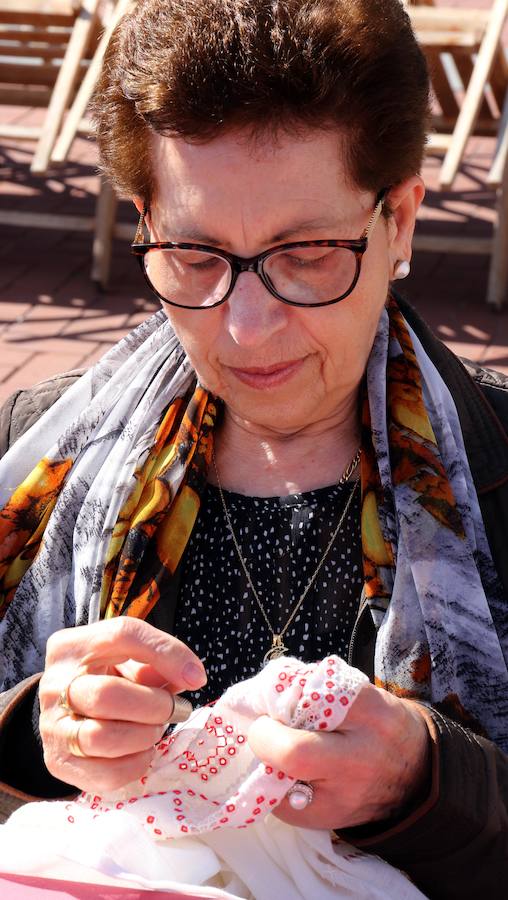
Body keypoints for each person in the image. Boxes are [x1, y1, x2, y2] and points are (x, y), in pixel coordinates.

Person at [0, 0, 507, 895]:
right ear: (146, 221)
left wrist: (428, 782)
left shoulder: (499, 467)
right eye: (195, 255)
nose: (246, 328)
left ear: (402, 220)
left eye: (307, 252)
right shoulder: (41, 461)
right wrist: (27, 731)